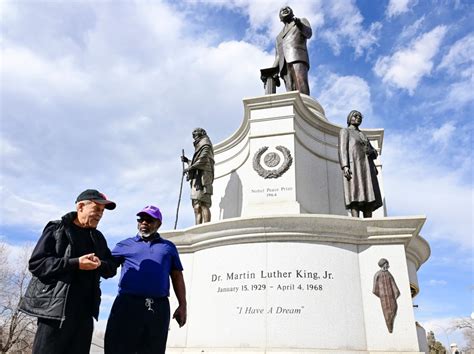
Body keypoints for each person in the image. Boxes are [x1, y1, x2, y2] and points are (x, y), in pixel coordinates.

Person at [19, 189, 117, 354]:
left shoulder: (98, 238)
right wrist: (75, 263)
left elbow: (111, 268)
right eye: (96, 209)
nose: (100, 215)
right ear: (80, 207)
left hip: (85, 315)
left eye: (102, 211)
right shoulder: (57, 229)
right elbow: (37, 264)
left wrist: (100, 264)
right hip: (55, 314)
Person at [104, 205, 187, 354]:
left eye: (149, 220)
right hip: (127, 305)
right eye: (141, 219)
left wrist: (183, 305)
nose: (144, 223)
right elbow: (107, 267)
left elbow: (177, 276)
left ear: (159, 224)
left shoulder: (169, 247)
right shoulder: (124, 245)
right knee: (117, 348)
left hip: (158, 308)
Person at [338, 110, 383, 217]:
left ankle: (368, 220)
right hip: (354, 166)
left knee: (369, 196)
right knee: (355, 194)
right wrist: (345, 166)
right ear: (349, 118)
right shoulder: (345, 131)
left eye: (360, 117)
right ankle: (356, 220)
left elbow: (374, 152)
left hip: (367, 168)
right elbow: (342, 149)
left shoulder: (363, 135)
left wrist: (371, 151)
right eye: (355, 116)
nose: (358, 118)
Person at [272, 6, 312, 95]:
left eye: (287, 8)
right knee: (290, 92)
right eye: (281, 10)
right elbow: (278, 55)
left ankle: (304, 107)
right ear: (280, 18)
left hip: (297, 57)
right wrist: (273, 70)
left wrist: (300, 25)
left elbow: (308, 34)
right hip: (283, 65)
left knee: (301, 85)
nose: (284, 9)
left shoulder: (301, 21)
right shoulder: (278, 37)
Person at [181, 127, 215, 224]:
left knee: (203, 204)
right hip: (197, 178)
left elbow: (203, 160)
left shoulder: (205, 143)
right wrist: (187, 161)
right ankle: (198, 227)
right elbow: (197, 161)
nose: (194, 135)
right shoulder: (199, 145)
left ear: (202, 133)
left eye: (196, 133)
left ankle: (206, 226)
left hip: (203, 178)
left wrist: (189, 168)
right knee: (196, 206)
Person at [372, 258, 400, 333]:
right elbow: (374, 290)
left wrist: (396, 294)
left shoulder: (388, 274)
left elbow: (394, 285)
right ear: (383, 264)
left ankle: (391, 327)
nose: (387, 265)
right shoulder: (377, 274)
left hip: (391, 298)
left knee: (393, 310)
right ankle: (390, 328)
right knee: (387, 314)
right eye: (386, 263)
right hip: (384, 299)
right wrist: (382, 296)